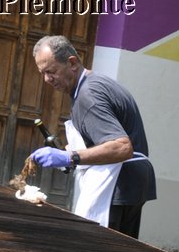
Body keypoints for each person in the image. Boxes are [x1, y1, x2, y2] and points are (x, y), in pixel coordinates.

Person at [28, 35, 156, 237]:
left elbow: (122, 147)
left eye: (51, 72)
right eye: (42, 73)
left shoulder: (89, 96)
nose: (47, 80)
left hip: (118, 184)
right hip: (133, 182)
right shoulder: (95, 83)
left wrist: (71, 158)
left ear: (72, 63)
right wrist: (71, 152)